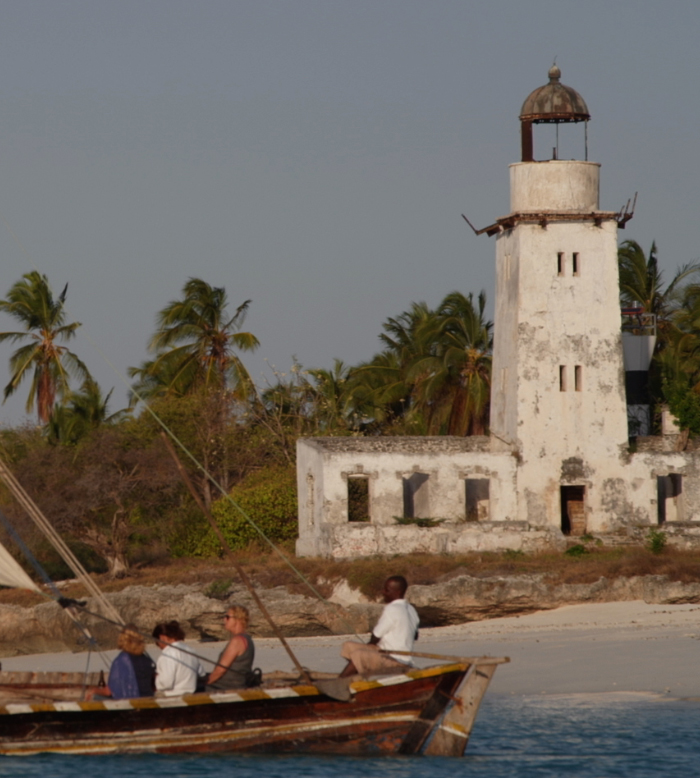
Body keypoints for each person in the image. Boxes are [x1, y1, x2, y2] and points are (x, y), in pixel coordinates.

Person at [339, 575, 419, 678]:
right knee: (348, 646)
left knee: (359, 654)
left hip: (394, 660)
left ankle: (339, 681)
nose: (383, 592)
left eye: (387, 590)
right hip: (388, 653)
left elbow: (376, 636)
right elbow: (415, 635)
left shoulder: (392, 608)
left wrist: (368, 648)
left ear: (398, 592)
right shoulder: (411, 609)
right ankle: (357, 675)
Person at [86, 623, 155, 700]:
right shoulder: (147, 660)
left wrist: (94, 690)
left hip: (130, 703)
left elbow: (109, 691)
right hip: (148, 700)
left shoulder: (121, 661)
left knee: (95, 697)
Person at [205, 604, 255, 691]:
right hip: (237, 685)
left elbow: (220, 670)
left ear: (238, 619)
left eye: (227, 617)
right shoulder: (247, 639)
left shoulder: (237, 641)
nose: (224, 619)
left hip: (224, 687)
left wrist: (207, 683)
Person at [152, 620, 205, 696]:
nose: (159, 647)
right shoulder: (191, 650)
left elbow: (166, 683)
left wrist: (157, 678)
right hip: (190, 696)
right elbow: (201, 673)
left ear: (162, 637)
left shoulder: (168, 653)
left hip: (172, 698)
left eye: (157, 643)